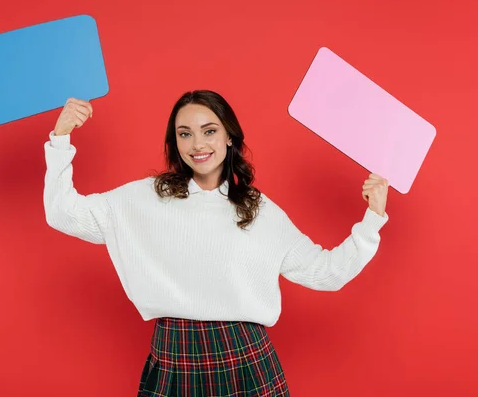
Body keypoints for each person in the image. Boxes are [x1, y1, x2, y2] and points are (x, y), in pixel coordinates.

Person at [43, 90, 389, 396]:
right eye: (185, 134)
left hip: (243, 357)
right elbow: (63, 213)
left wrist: (372, 218)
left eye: (209, 131)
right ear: (175, 142)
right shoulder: (145, 198)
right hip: (174, 354)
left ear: (228, 137)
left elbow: (326, 273)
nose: (197, 145)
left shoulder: (258, 210)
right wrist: (61, 138)